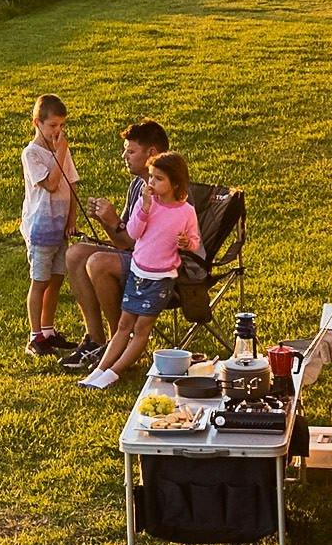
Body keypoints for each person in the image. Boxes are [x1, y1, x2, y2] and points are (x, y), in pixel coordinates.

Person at [80, 149, 203, 390]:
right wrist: (144, 208)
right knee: (123, 325)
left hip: (161, 279)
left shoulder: (186, 212)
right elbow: (133, 233)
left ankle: (113, 373)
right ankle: (99, 370)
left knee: (140, 329)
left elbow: (195, 242)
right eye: (151, 177)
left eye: (159, 178)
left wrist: (186, 243)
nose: (151, 183)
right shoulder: (146, 203)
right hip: (137, 273)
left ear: (175, 183)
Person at [58, 118, 166, 365]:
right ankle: (95, 340)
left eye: (131, 151)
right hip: (136, 257)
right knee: (75, 253)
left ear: (151, 153)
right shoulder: (137, 185)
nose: (124, 156)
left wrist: (114, 220)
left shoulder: (165, 189)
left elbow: (141, 245)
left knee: (98, 262)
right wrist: (106, 221)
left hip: (157, 267)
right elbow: (123, 242)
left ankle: (119, 341)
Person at [19, 94, 79, 355]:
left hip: (60, 227)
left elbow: (71, 184)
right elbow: (52, 184)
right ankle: (35, 337)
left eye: (62, 125)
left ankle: (48, 330)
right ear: (37, 123)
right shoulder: (32, 154)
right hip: (41, 228)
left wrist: (72, 219)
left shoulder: (61, 150)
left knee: (56, 280)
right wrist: (60, 151)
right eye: (53, 125)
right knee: (40, 281)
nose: (58, 131)